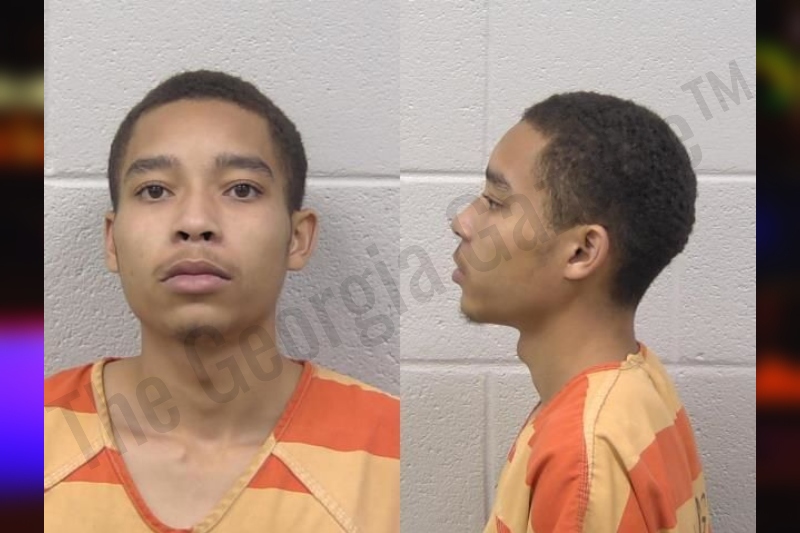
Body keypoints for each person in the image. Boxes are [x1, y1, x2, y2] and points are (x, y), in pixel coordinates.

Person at [44, 70, 399, 533]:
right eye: (155, 190)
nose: (195, 222)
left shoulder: (391, 449)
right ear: (112, 241)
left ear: (297, 238)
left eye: (241, 189)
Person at [451, 92, 711, 532]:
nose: (462, 221)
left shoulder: (584, 458)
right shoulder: (639, 385)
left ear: (581, 252)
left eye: (495, 201)